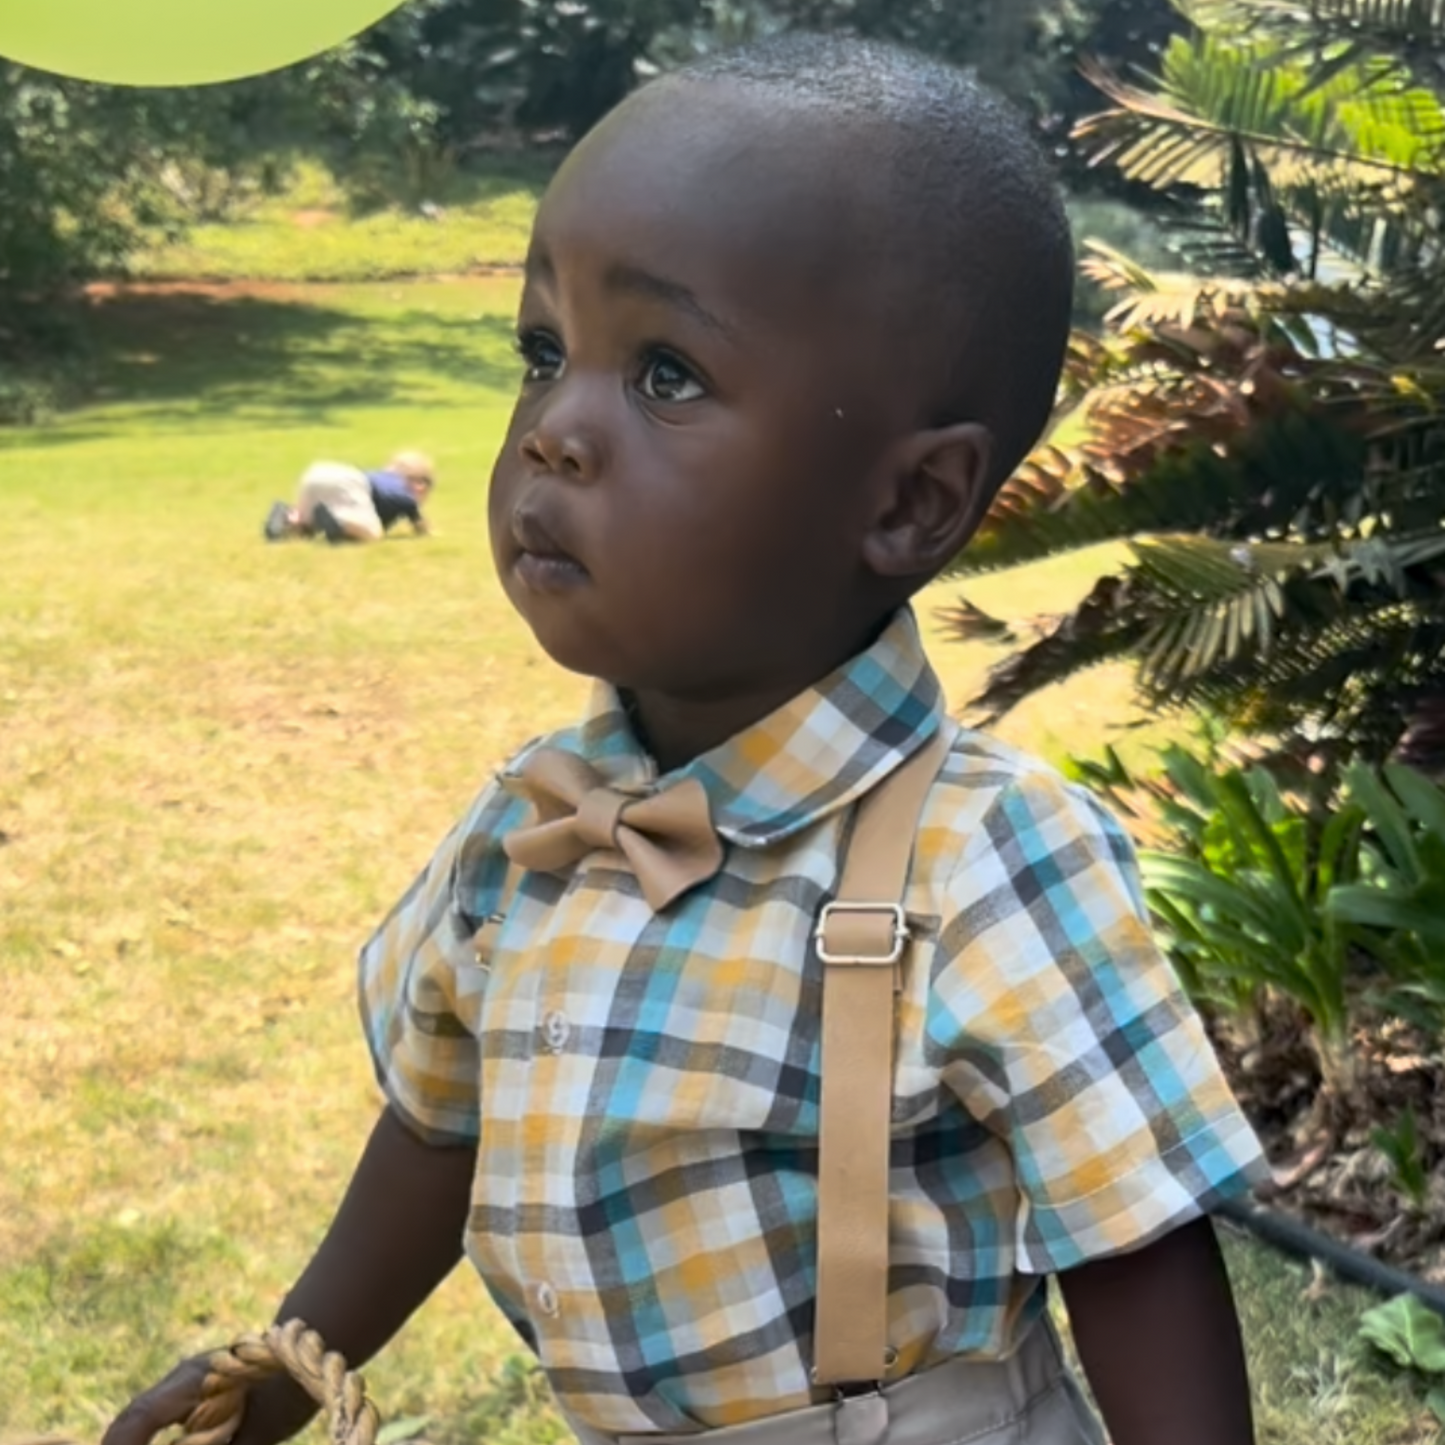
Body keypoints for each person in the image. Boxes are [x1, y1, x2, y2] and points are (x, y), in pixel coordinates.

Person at [105, 33, 1268, 1445]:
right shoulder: (528, 832)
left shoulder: (982, 863)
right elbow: (439, 1129)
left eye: (664, 375)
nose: (555, 434)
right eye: (542, 353)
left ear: (908, 503)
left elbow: (1133, 1245)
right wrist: (293, 1362)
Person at [263, 450, 435, 544]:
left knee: (307, 528)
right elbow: (422, 529)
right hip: (350, 480)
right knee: (373, 534)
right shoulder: (405, 496)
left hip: (317, 472)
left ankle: (289, 517)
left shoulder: (379, 477)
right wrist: (429, 533)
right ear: (420, 485)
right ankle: (339, 521)